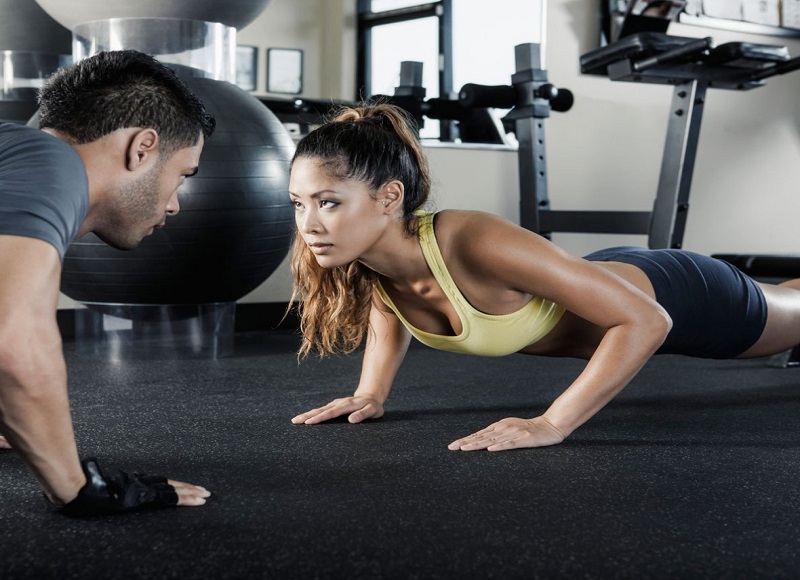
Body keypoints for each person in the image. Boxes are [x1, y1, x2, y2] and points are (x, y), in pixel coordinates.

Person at [288, 102, 800, 452]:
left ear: (390, 197)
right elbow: (390, 309)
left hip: (681, 297)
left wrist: (551, 422)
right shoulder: (373, 264)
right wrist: (371, 393)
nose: (309, 224)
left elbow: (646, 320)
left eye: (328, 202)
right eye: (299, 204)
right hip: (605, 275)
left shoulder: (469, 238)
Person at [0, 50, 215, 515]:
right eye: (182, 175)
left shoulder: (17, 156)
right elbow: (12, 344)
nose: (175, 204)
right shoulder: (50, 165)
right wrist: (78, 486)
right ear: (143, 149)